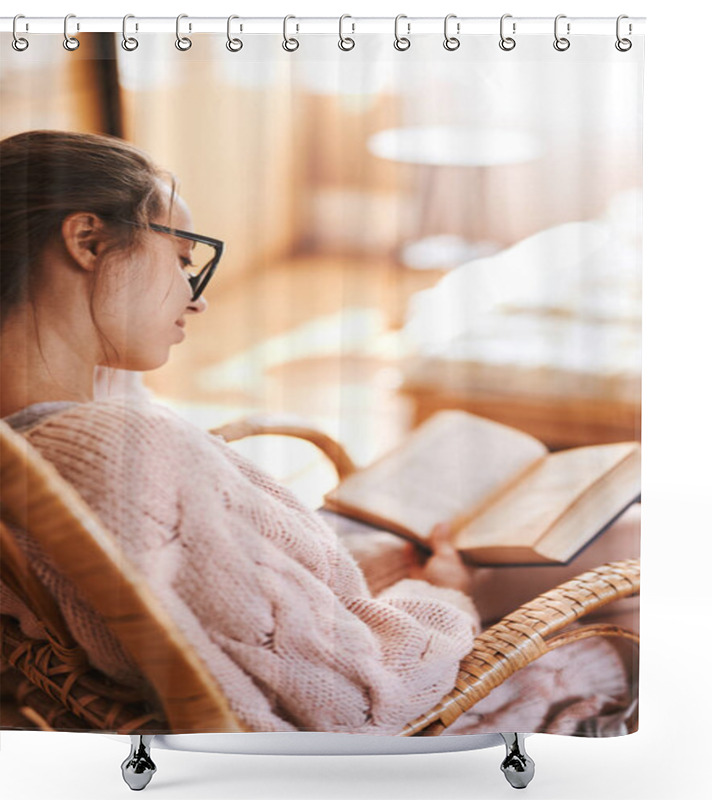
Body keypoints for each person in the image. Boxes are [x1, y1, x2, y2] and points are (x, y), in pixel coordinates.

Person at [0, 130, 631, 735]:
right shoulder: (114, 454)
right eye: (182, 258)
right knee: (639, 570)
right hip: (433, 704)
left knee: (615, 530)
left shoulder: (48, 432)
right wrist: (440, 595)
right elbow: (364, 702)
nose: (198, 300)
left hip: (336, 600)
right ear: (87, 239)